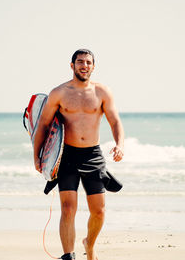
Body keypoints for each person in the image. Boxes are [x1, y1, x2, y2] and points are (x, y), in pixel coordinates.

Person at [33, 49, 125, 260]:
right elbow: (44, 124)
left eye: (88, 62)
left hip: (93, 155)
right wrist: (37, 155)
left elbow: (115, 121)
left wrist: (120, 144)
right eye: (80, 62)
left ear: (93, 66)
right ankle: (69, 255)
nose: (84, 66)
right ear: (72, 65)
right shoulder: (59, 93)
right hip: (66, 155)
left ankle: (89, 244)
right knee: (68, 207)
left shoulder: (102, 92)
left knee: (99, 211)